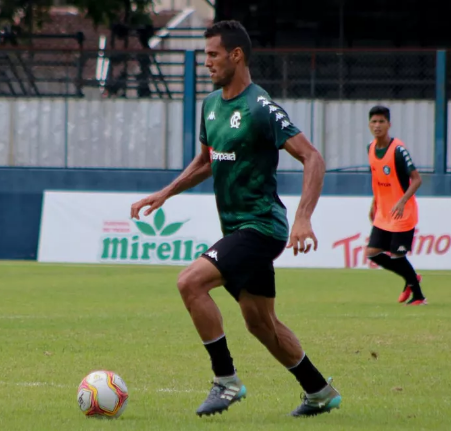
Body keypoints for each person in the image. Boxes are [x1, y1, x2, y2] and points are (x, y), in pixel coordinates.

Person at [130, 20, 341, 418]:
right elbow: (205, 162)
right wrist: (164, 193)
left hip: (262, 226)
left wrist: (303, 219)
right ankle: (319, 390)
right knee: (261, 324)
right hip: (237, 228)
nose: (207, 62)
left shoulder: (261, 107)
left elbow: (312, 157)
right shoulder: (211, 105)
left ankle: (225, 380)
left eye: (213, 54)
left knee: (190, 283)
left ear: (236, 55)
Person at [365, 105, 427, 306]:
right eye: (374, 121)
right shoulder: (371, 148)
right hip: (384, 212)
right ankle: (411, 278)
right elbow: (377, 178)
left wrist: (402, 201)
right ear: (369, 124)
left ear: (388, 124)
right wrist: (374, 203)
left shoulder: (398, 150)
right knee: (372, 253)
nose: (377, 126)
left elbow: (416, 179)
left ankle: (418, 296)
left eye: (381, 121)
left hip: (402, 213)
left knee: (398, 255)